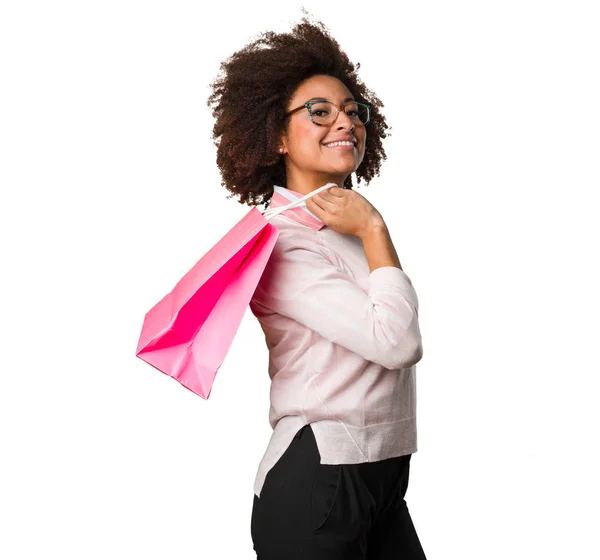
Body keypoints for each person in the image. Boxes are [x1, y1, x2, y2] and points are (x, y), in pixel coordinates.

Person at [207, 11, 427, 559]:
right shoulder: (281, 245)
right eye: (320, 112)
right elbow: (397, 343)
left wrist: (366, 231)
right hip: (319, 482)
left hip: (382, 483)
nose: (346, 123)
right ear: (277, 135)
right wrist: (377, 229)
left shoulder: (345, 231)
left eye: (354, 111)